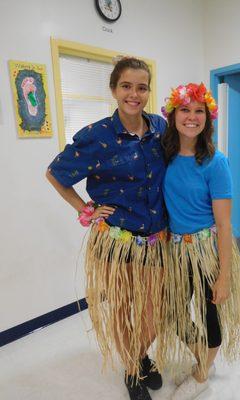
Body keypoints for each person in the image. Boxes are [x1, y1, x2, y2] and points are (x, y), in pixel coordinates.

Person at [46, 57, 169, 400]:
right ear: (114, 89)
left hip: (157, 240)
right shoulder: (95, 136)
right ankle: (132, 368)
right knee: (123, 308)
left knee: (153, 312)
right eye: (126, 86)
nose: (134, 94)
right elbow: (56, 173)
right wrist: (86, 210)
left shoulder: (160, 127)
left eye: (141, 87)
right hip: (118, 243)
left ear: (148, 91)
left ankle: (141, 354)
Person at [161, 83, 240, 399]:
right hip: (174, 250)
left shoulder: (215, 161)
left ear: (208, 118)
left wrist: (223, 275)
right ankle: (203, 358)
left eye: (199, 111)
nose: (192, 117)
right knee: (174, 315)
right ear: (173, 115)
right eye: (185, 109)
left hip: (207, 251)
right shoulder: (165, 154)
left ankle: (201, 376)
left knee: (210, 313)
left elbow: (224, 225)